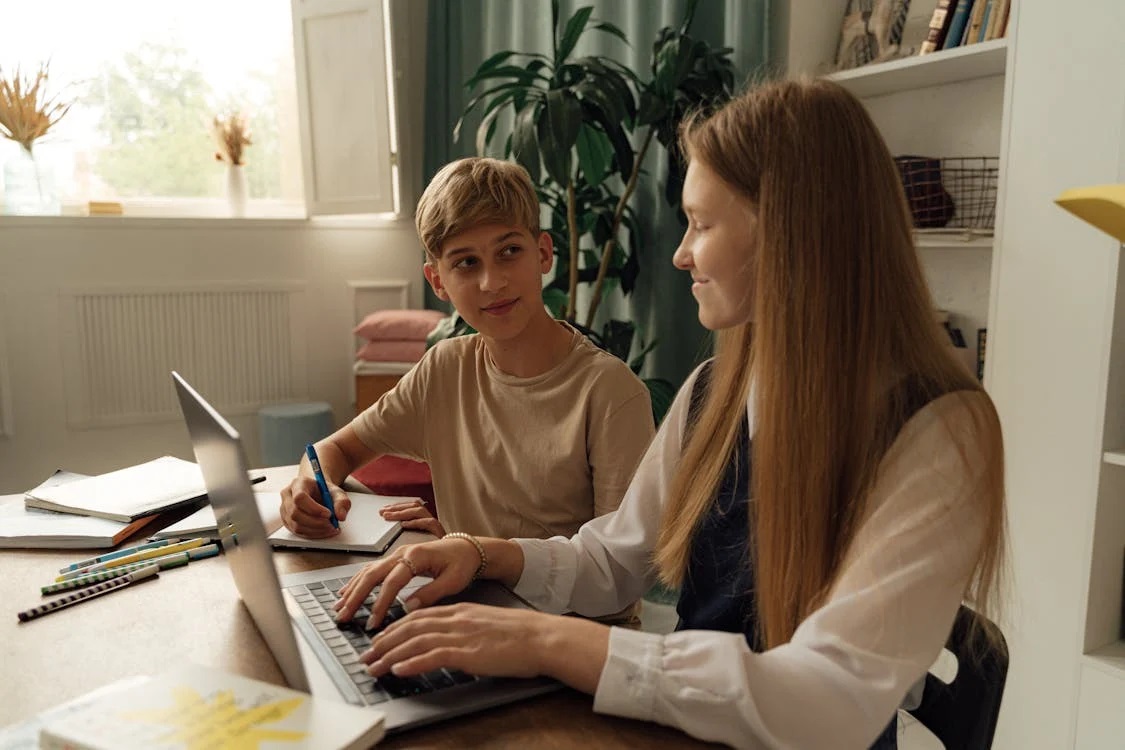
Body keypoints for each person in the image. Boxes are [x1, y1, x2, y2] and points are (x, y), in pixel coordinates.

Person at [330, 78, 1008, 750]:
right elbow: (612, 561)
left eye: (701, 223)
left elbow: (827, 702)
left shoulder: (941, 428)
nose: (681, 253)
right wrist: (479, 554)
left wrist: (543, 640)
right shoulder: (713, 390)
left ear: (791, 229)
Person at [280, 157, 655, 555]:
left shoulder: (610, 392)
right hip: (465, 599)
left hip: (564, 618)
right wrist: (310, 483)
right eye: (466, 263)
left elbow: (618, 570)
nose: (492, 282)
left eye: (509, 251)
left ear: (543, 253)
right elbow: (336, 449)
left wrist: (469, 552)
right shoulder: (444, 369)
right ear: (438, 280)